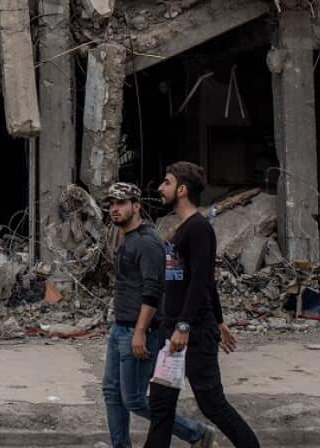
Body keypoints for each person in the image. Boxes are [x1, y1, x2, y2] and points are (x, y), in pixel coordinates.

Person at [146, 163, 260, 448]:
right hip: (173, 328)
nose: (160, 188)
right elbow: (206, 282)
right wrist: (220, 321)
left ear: (182, 190)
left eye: (166, 182)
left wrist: (186, 326)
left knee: (212, 403)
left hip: (192, 332)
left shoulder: (198, 229)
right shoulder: (183, 229)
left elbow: (200, 282)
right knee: (161, 405)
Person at [101, 182, 214, 448]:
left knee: (135, 399)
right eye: (112, 204)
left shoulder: (147, 243)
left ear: (136, 206)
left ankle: (197, 433)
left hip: (139, 330)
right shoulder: (128, 238)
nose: (114, 209)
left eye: (121, 203)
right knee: (112, 393)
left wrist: (140, 331)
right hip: (120, 328)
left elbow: (154, 289)